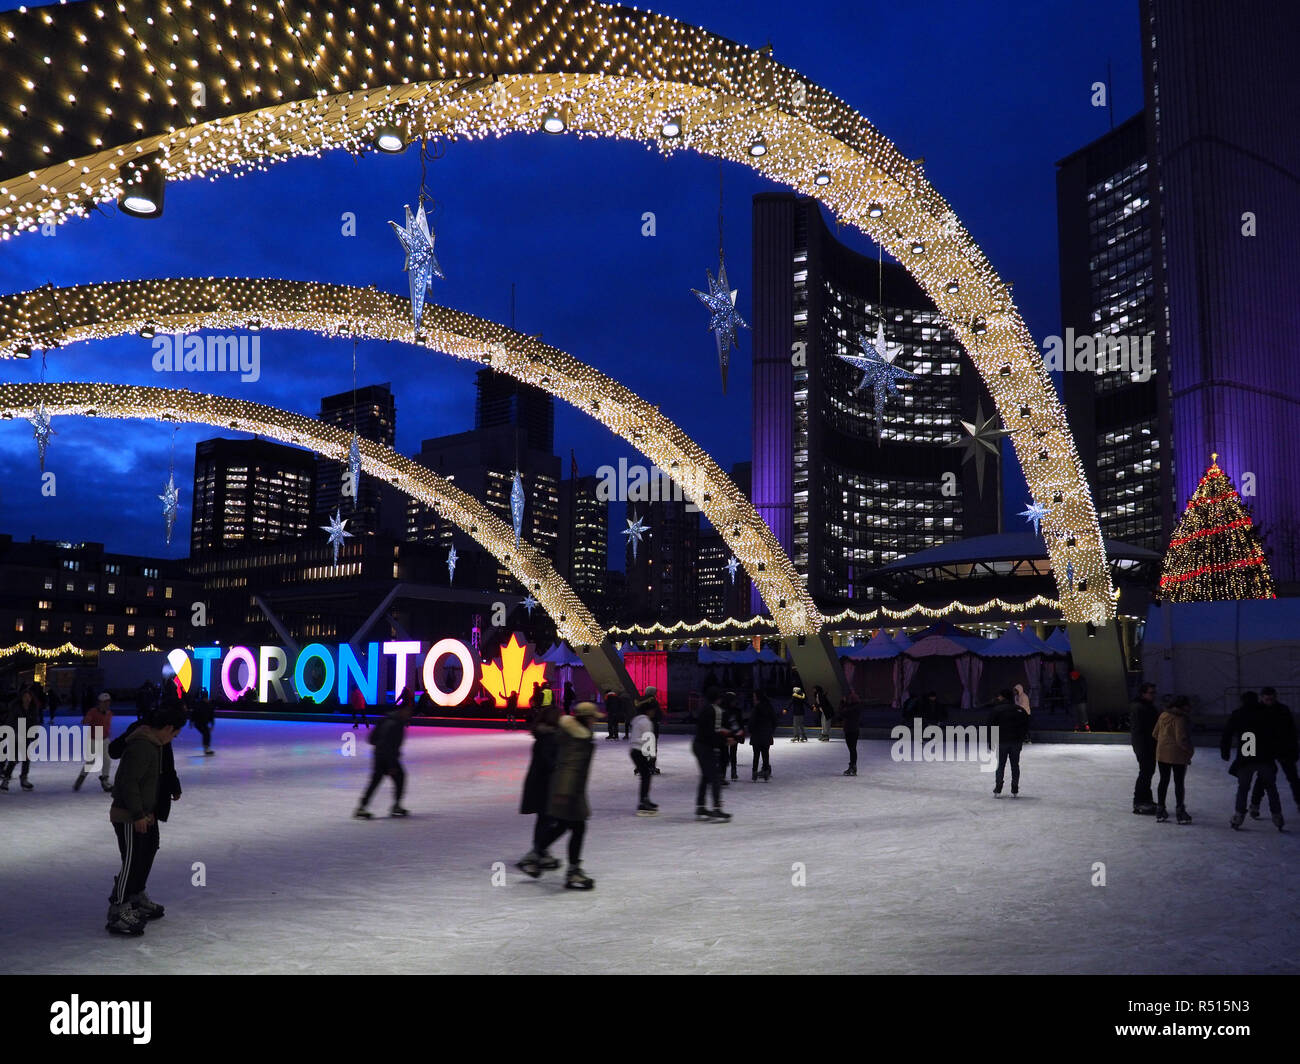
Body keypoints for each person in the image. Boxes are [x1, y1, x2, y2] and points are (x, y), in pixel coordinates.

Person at [104, 703, 187, 936]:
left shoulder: (156, 744)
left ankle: (134, 897)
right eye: (175, 734)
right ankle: (118, 908)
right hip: (130, 815)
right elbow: (128, 782)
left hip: (142, 812)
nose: (174, 739)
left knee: (146, 852)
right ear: (168, 727)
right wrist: (138, 814)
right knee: (132, 860)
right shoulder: (143, 744)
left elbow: (150, 781)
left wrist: (149, 809)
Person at [520, 701, 603, 888]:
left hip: (567, 789)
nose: (594, 722)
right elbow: (570, 766)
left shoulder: (572, 734)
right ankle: (572, 871)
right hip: (569, 791)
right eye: (593, 718)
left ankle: (535, 856)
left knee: (564, 826)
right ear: (586, 719)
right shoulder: (577, 738)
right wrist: (565, 792)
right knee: (577, 828)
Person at [1221, 691, 1284, 831]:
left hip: (1246, 756)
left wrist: (1224, 751)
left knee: (1243, 788)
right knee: (1271, 788)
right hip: (1264, 757)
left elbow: (1227, 733)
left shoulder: (1238, 714)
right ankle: (1277, 815)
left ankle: (1238, 815)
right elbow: (1277, 734)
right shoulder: (1267, 713)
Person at [516, 702, 563, 873]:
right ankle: (538, 852)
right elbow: (547, 762)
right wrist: (559, 767)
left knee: (545, 819)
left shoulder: (545, 736)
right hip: (544, 784)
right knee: (548, 819)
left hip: (540, 783)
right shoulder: (548, 738)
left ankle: (541, 851)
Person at [354, 699, 414, 819]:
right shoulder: (395, 724)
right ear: (402, 710)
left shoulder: (387, 720)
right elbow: (387, 745)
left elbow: (371, 739)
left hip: (380, 756)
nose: (409, 714)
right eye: (408, 711)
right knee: (399, 776)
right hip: (386, 757)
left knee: (376, 781)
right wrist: (391, 765)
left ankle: (362, 807)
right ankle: (396, 806)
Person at [1250, 687, 1299, 816]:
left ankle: (1299, 803)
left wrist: (1294, 750)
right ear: (1262, 698)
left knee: (1293, 778)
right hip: (1267, 750)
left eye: (1271, 699)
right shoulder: (1258, 711)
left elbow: (1291, 731)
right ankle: (1255, 804)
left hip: (1283, 749)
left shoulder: (1282, 710)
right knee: (1262, 779)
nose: (1269, 701)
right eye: (1267, 699)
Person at [693, 689, 735, 821]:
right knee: (715, 777)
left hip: (698, 744)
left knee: (706, 776)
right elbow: (713, 732)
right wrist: (725, 741)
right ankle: (717, 809)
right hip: (705, 746)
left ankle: (700, 806)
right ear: (719, 699)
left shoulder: (705, 708)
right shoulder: (715, 710)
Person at [1152, 695, 1194, 824]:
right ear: (1182, 706)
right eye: (1188, 705)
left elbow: (1155, 734)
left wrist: (1164, 743)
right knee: (1179, 782)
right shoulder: (1180, 718)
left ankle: (1160, 809)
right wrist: (1189, 751)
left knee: (1163, 781)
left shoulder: (1163, 715)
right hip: (1177, 755)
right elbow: (1181, 739)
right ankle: (1180, 811)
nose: (1190, 707)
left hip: (1162, 754)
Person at [988, 688, 1029, 797]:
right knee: (1015, 765)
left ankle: (998, 787)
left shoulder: (997, 710)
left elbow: (990, 727)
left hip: (1002, 742)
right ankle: (1014, 788)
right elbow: (1026, 726)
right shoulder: (1020, 710)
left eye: (999, 696)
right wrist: (1021, 738)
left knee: (1000, 765)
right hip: (1016, 742)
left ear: (1003, 697)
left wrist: (990, 741)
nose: (998, 698)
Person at [1129, 682, 1160, 814]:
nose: (1153, 695)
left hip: (1149, 745)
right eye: (1151, 693)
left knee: (1148, 772)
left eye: (1154, 693)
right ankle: (1139, 801)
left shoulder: (1147, 707)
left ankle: (1146, 799)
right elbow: (1140, 730)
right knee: (1145, 773)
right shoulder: (1139, 708)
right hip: (1144, 746)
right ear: (1143, 694)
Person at [1, 683, 37, 791]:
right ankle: (6, 780)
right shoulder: (16, 708)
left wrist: (34, 733)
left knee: (26, 758)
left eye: (29, 697)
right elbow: (10, 721)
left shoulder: (32, 708)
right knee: (14, 758)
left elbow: (34, 722)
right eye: (25, 697)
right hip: (16, 735)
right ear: (21, 697)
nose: (27, 699)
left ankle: (24, 779)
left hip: (26, 736)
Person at [76, 692, 114, 792]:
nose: (107, 704)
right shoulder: (93, 711)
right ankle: (80, 780)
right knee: (91, 761)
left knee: (107, 760)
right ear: (100, 703)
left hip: (105, 739)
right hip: (93, 738)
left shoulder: (109, 713)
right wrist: (86, 720)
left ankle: (105, 780)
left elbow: (106, 726)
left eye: (108, 702)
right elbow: (85, 721)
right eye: (105, 702)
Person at [629, 696, 659, 814]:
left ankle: (645, 799)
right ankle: (643, 802)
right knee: (646, 777)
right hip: (639, 751)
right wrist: (651, 756)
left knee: (645, 776)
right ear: (648, 710)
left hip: (635, 751)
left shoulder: (637, 720)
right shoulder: (646, 722)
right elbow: (648, 739)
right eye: (652, 710)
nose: (653, 712)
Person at [718, 691, 745, 782]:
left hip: (734, 735)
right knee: (724, 755)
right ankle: (722, 774)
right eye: (733, 700)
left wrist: (740, 736)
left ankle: (733, 772)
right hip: (725, 736)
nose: (735, 702)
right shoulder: (722, 710)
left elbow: (740, 723)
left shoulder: (736, 711)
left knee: (733, 754)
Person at [749, 691, 776, 781]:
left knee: (756, 755)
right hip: (766, 735)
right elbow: (775, 720)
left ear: (758, 698)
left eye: (754, 697)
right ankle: (765, 772)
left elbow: (752, 722)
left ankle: (754, 772)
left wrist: (750, 730)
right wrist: (771, 731)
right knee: (765, 754)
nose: (753, 699)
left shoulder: (756, 708)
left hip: (757, 735)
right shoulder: (769, 707)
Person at [634, 687, 662, 772]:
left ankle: (640, 766)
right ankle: (651, 766)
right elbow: (657, 714)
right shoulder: (653, 701)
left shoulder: (639, 700)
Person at [839, 695, 861, 776]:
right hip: (851, 730)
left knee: (852, 749)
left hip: (851, 730)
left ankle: (852, 766)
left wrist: (842, 703)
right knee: (852, 749)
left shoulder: (854, 708)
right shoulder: (855, 707)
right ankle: (852, 766)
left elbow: (842, 713)